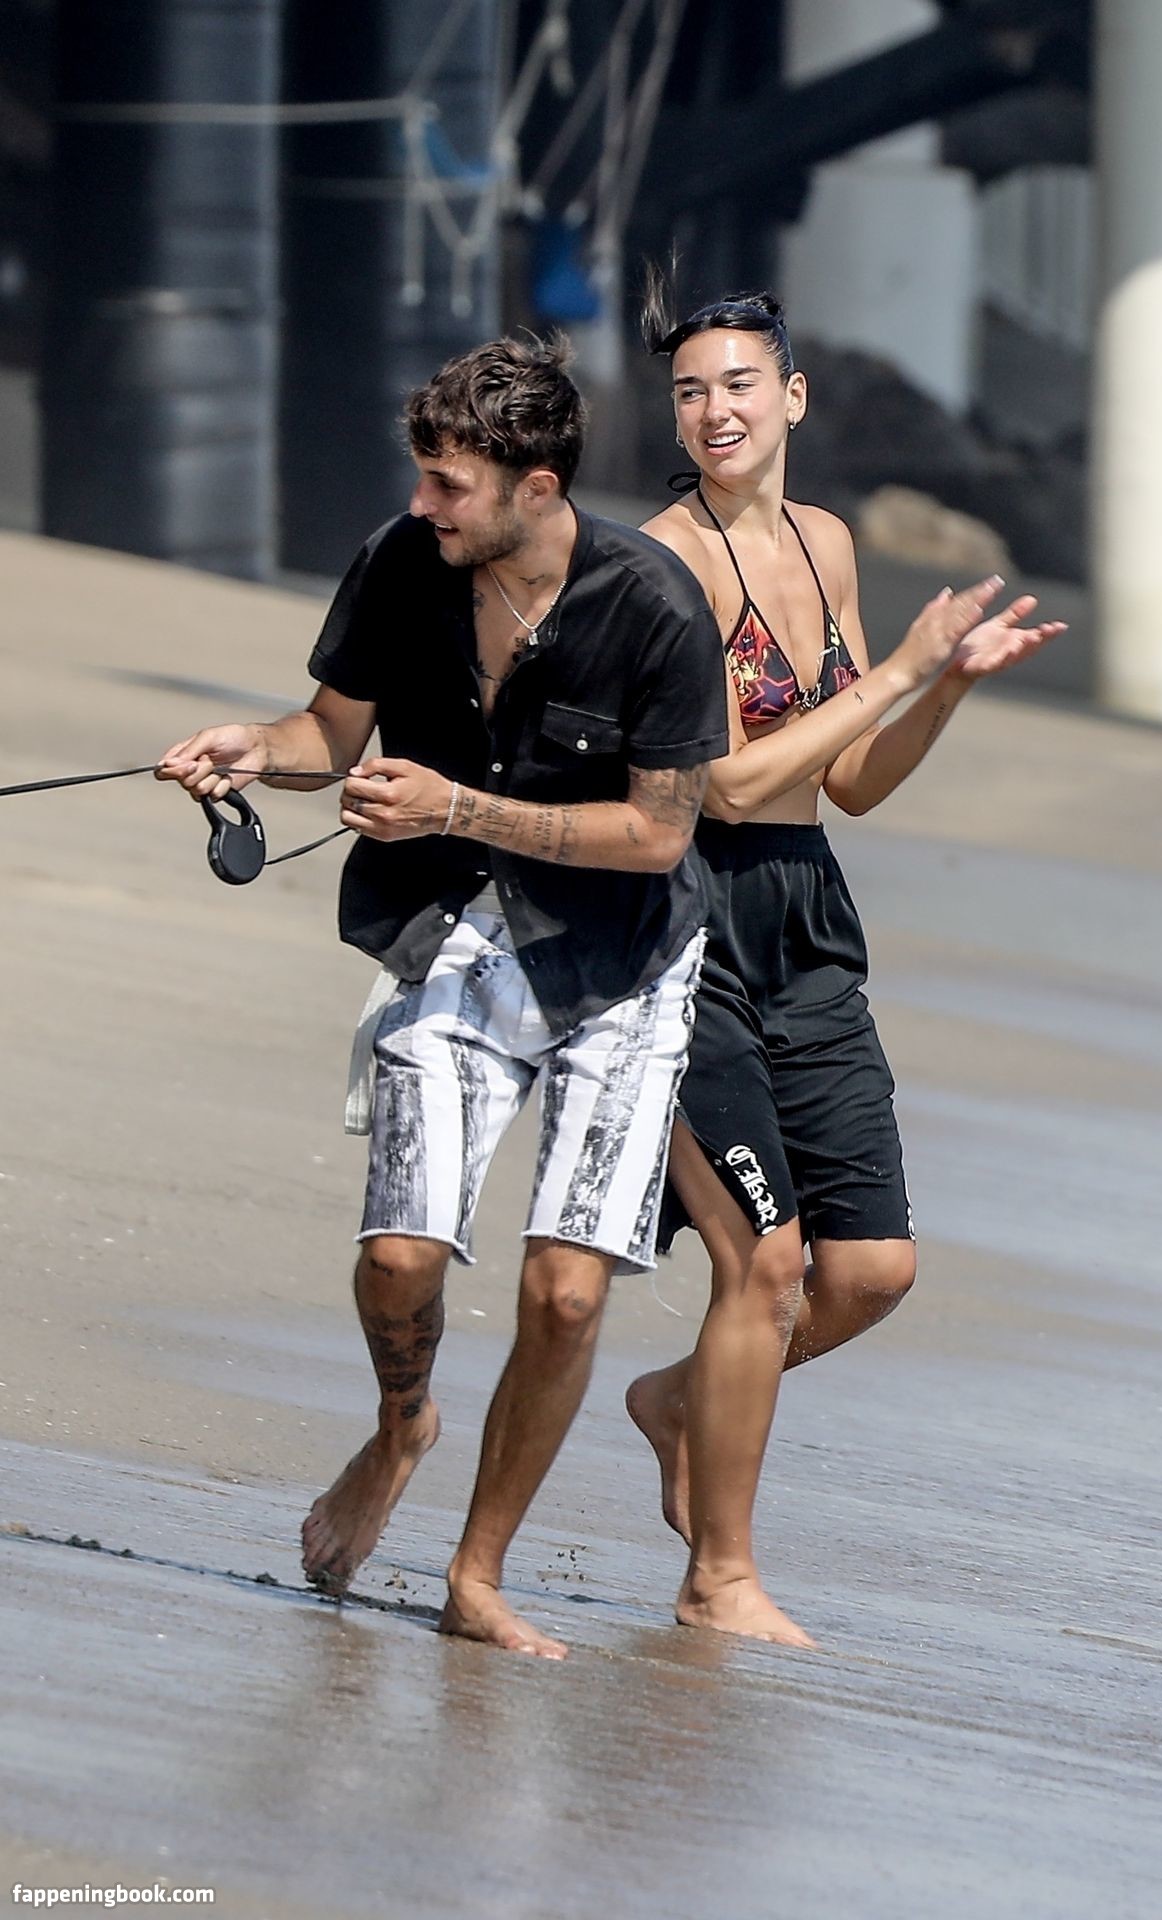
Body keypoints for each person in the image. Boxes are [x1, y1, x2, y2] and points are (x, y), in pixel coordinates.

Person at [157, 335, 733, 1660]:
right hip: (458, 931)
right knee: (398, 1255)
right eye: (421, 477)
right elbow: (327, 734)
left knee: (567, 1295)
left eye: (448, 485)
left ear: (539, 487)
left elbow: (658, 835)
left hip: (629, 963)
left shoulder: (653, 606)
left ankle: (476, 1576)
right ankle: (401, 1424)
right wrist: (255, 748)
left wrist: (458, 807)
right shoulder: (401, 561)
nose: (422, 505)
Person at [625, 288, 1065, 1648]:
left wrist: (946, 684)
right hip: (685, 921)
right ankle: (720, 1577)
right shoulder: (664, 566)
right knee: (762, 1260)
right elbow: (719, 781)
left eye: (739, 384)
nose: (716, 411)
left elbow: (852, 780)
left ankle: (679, 1401)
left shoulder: (825, 544)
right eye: (691, 391)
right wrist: (898, 671)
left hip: (803, 915)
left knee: (871, 1269)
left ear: (792, 397)